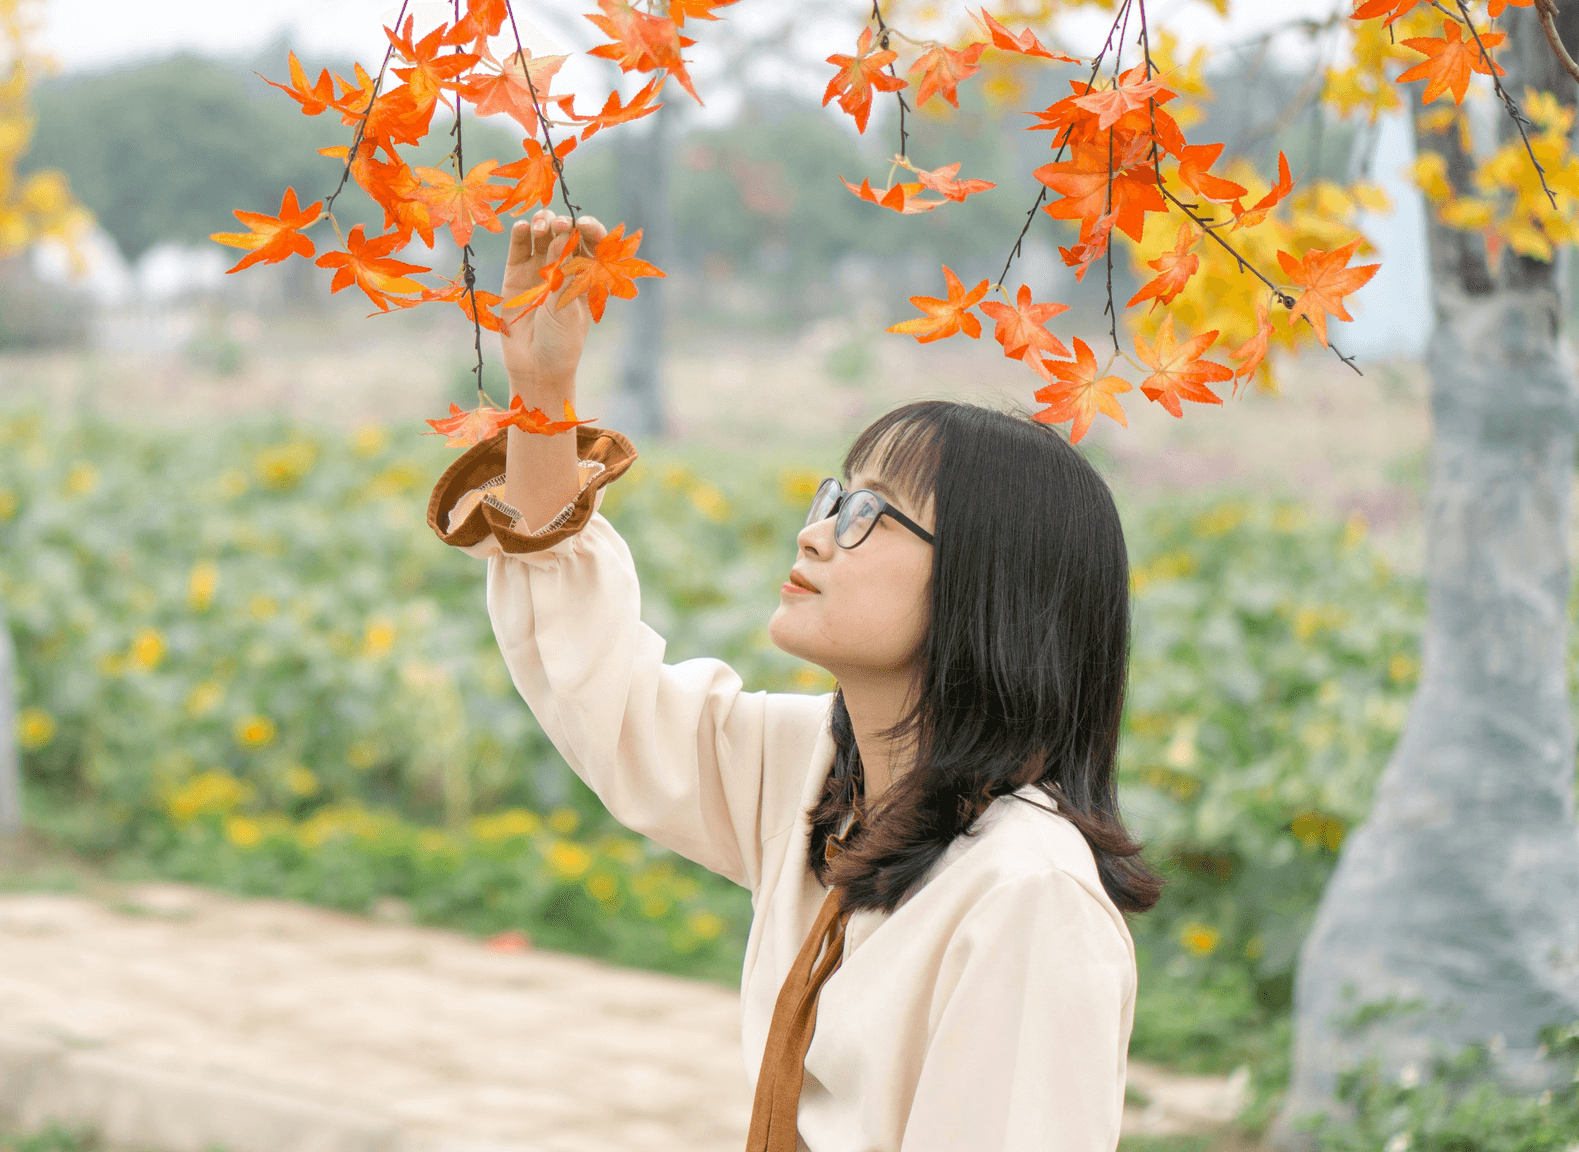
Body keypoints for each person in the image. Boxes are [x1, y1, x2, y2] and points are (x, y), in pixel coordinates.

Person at [427, 209, 1167, 1151]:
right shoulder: (826, 777)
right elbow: (601, 687)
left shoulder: (1028, 896)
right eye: (833, 495)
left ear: (990, 587)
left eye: (872, 514)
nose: (817, 530)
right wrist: (543, 393)